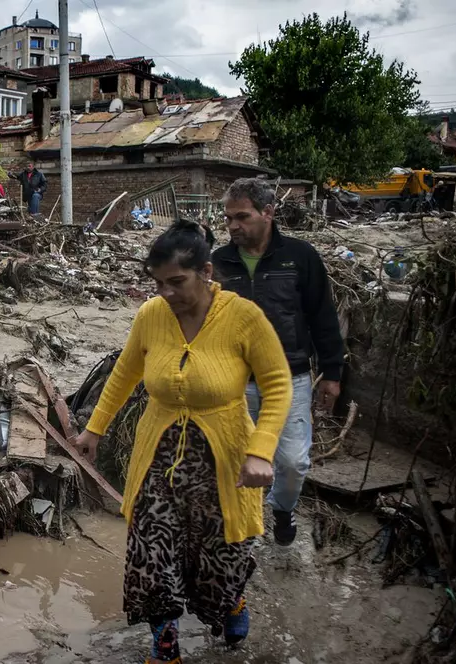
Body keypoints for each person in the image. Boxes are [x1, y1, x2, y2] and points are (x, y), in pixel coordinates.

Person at [74, 219, 292, 664]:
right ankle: (165, 641)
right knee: (151, 549)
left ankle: (230, 601)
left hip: (225, 457)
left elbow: (278, 383)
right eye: (158, 284)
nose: (166, 293)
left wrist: (261, 449)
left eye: (177, 282)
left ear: (206, 272)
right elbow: (125, 373)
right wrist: (94, 428)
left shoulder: (243, 318)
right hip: (158, 455)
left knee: (224, 552)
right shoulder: (151, 316)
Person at [213, 178, 346, 547]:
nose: (233, 226)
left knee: (291, 462)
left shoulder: (300, 257)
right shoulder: (218, 262)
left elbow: (322, 317)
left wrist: (332, 374)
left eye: (242, 217)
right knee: (235, 460)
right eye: (228, 218)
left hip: (289, 378)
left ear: (268, 213)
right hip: (233, 380)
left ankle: (282, 508)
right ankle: (242, 527)